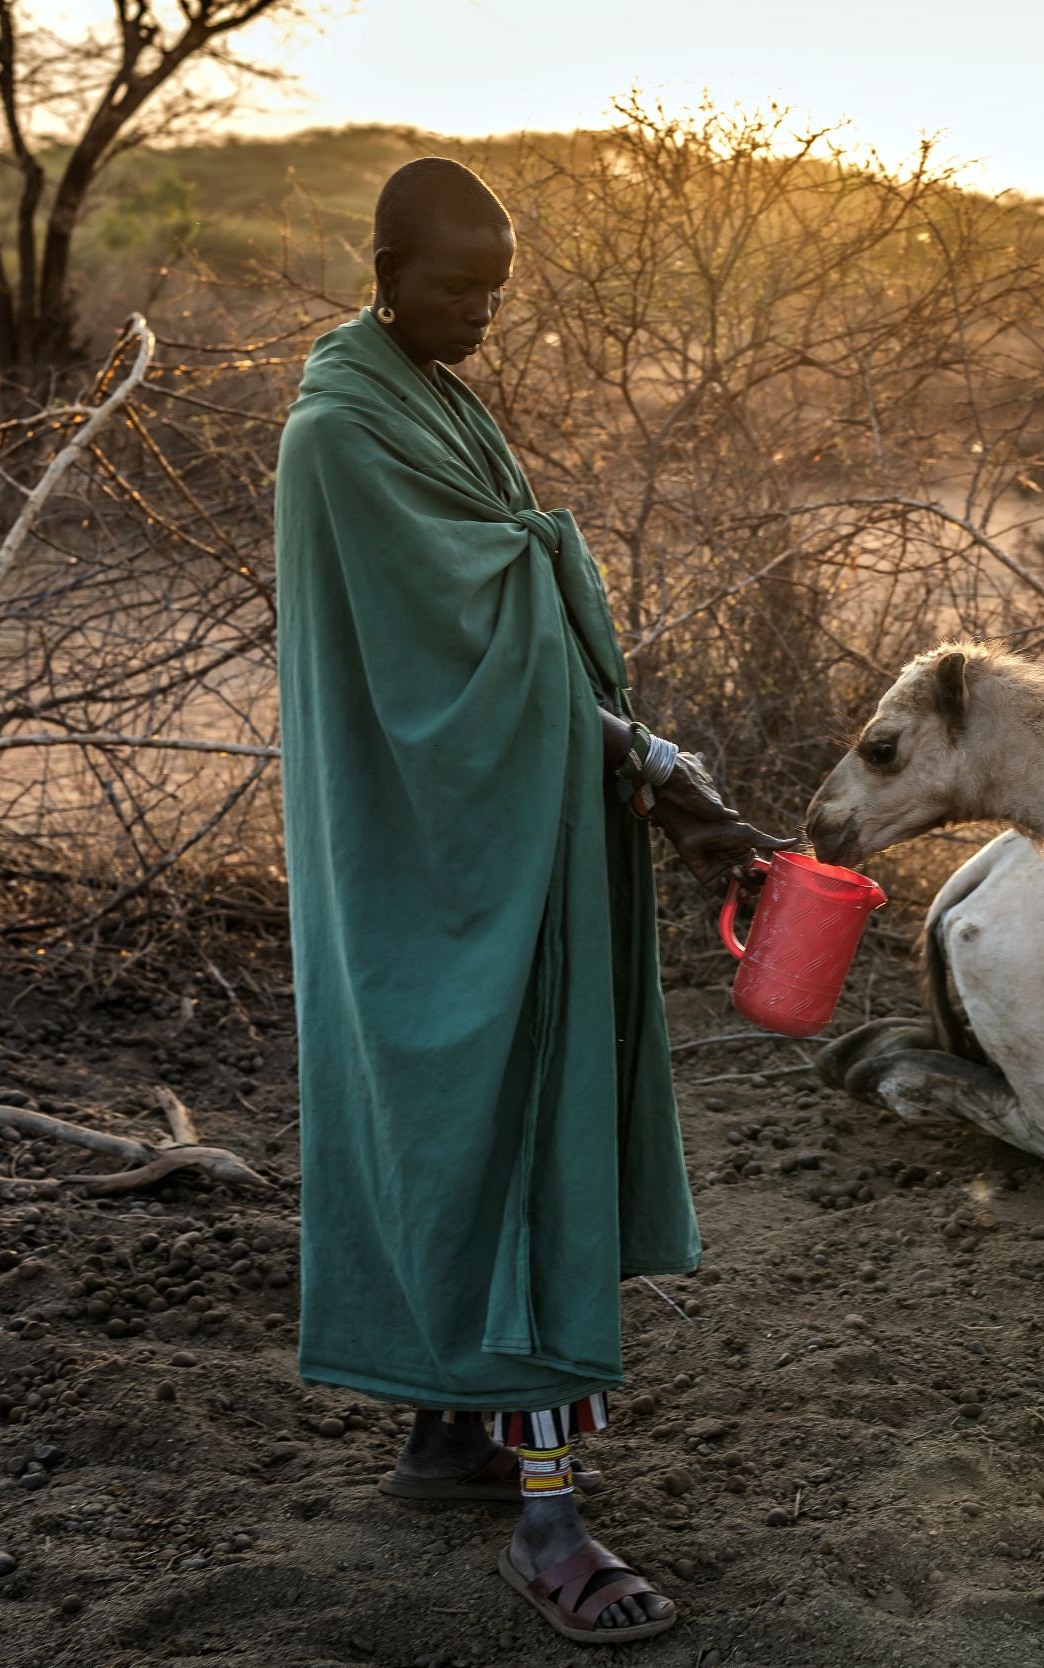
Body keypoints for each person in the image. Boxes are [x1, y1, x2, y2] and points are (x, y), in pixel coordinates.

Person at [273, 156, 790, 1646]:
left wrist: (651, 767)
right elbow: (464, 658)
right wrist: (643, 761)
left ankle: (449, 1435)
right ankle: (550, 1524)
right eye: (455, 290)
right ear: (383, 268)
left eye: (498, 294)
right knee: (499, 1129)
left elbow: (507, 628)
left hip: (491, 827)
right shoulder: (342, 434)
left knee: (475, 1123)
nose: (482, 318)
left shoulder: (424, 395)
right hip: (439, 854)